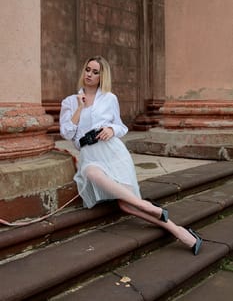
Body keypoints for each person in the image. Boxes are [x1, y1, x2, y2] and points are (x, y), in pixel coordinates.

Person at [59, 55, 202, 255]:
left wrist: (111, 129)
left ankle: (178, 231)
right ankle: (150, 207)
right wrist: (80, 107)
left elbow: (120, 126)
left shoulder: (109, 98)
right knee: (90, 174)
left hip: (113, 152)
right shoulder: (70, 102)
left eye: (95, 72)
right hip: (90, 155)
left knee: (126, 206)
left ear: (102, 76)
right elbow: (66, 133)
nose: (89, 74)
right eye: (87, 70)